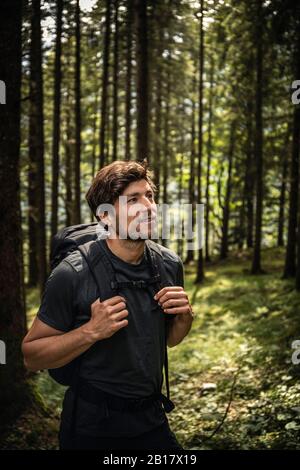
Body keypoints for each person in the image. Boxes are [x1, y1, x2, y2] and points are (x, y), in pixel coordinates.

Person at [22, 160, 194, 450]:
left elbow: (167, 341)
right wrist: (91, 331)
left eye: (150, 196)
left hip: (152, 420)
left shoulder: (168, 264)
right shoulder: (73, 273)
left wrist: (185, 319)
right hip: (92, 427)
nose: (148, 207)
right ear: (105, 216)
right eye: (133, 200)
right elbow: (31, 356)